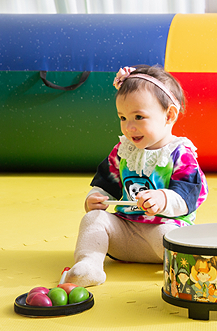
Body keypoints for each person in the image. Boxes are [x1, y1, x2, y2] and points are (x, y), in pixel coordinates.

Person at [66, 65, 208, 287]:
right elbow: (107, 183)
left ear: (169, 115)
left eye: (139, 117)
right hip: (125, 236)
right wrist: (95, 198)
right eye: (123, 118)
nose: (129, 127)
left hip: (162, 234)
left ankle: (185, 270)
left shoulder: (179, 153)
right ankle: (89, 265)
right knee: (93, 220)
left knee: (169, 235)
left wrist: (163, 199)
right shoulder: (123, 151)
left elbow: (190, 196)